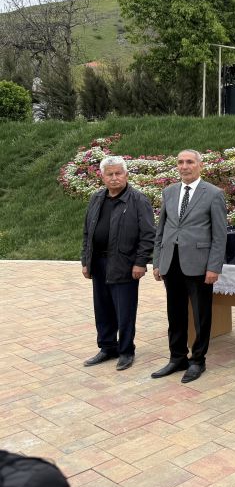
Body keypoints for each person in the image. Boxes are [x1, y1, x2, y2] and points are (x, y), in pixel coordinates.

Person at [152, 149, 227, 383]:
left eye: (190, 162)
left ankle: (198, 360)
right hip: (171, 262)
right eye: (180, 162)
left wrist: (214, 267)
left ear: (200, 165)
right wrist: (157, 261)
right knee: (174, 313)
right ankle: (177, 357)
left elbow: (220, 235)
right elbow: (161, 229)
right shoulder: (169, 192)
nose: (184, 166)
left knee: (201, 315)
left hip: (199, 264)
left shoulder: (213, 194)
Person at [81, 155, 155, 371]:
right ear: (102, 177)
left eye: (118, 173)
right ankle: (107, 347)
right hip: (99, 263)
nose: (114, 178)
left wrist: (140, 262)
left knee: (124, 311)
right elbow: (87, 232)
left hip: (125, 264)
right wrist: (86, 261)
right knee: (102, 308)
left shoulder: (138, 200)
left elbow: (148, 235)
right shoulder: (96, 198)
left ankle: (126, 351)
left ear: (126, 175)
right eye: (110, 174)